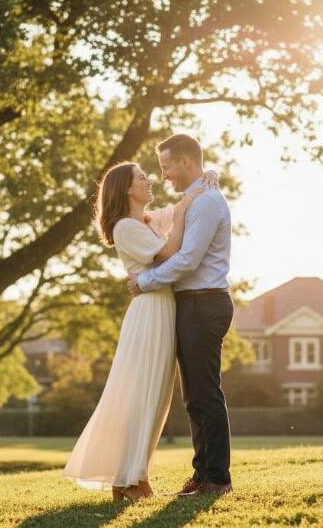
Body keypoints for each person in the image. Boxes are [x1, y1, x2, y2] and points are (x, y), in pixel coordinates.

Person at [62, 160, 218, 501]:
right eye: (142, 177)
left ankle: (132, 477)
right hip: (149, 313)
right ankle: (130, 479)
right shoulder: (125, 228)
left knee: (156, 396)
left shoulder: (144, 221)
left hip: (161, 309)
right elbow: (169, 252)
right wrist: (189, 204)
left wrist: (204, 182)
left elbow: (173, 212)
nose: (150, 181)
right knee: (143, 394)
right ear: (126, 188)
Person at [127, 134, 234, 497]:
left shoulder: (205, 204)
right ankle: (203, 474)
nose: (164, 175)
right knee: (194, 396)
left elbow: (187, 260)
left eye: (167, 166)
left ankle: (217, 478)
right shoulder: (194, 201)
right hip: (192, 304)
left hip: (204, 303)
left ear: (187, 163)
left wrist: (145, 281)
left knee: (205, 393)